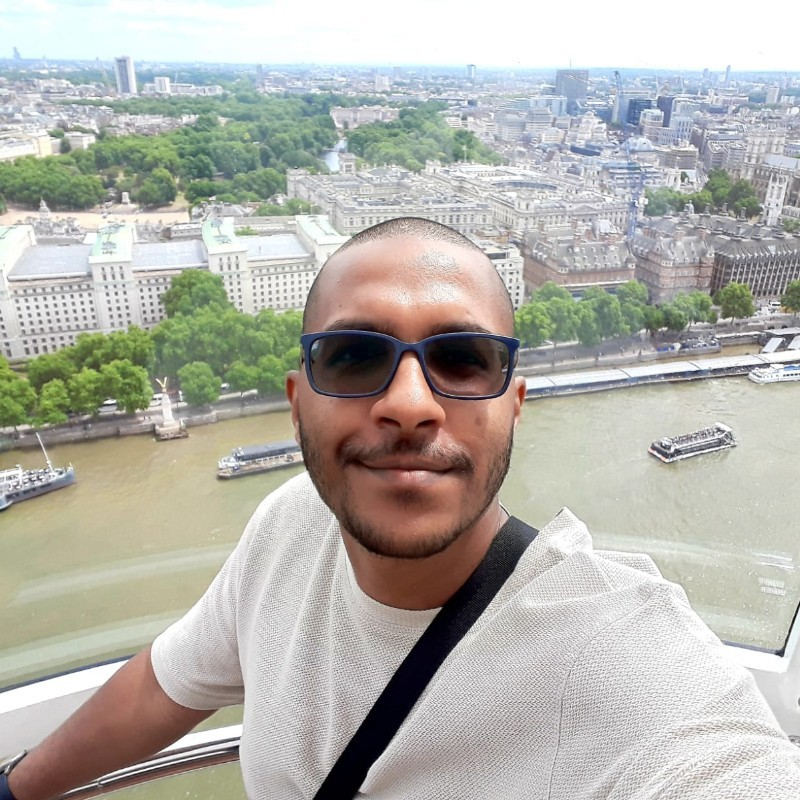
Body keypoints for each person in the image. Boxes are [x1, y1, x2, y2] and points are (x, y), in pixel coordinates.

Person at [4, 217, 800, 799]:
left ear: (514, 406)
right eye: (354, 356)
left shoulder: (625, 660)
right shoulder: (290, 523)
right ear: (296, 403)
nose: (411, 404)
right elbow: (164, 685)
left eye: (463, 359)